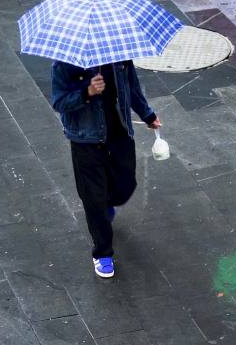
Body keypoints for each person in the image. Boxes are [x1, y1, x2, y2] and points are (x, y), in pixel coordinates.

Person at [51, 60, 160, 278]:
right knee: (93, 199)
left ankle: (107, 202)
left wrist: (147, 114)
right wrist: (88, 91)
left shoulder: (119, 57)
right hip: (85, 139)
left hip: (119, 133)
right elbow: (59, 102)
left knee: (126, 183)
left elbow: (131, 86)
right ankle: (103, 253)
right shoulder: (64, 64)